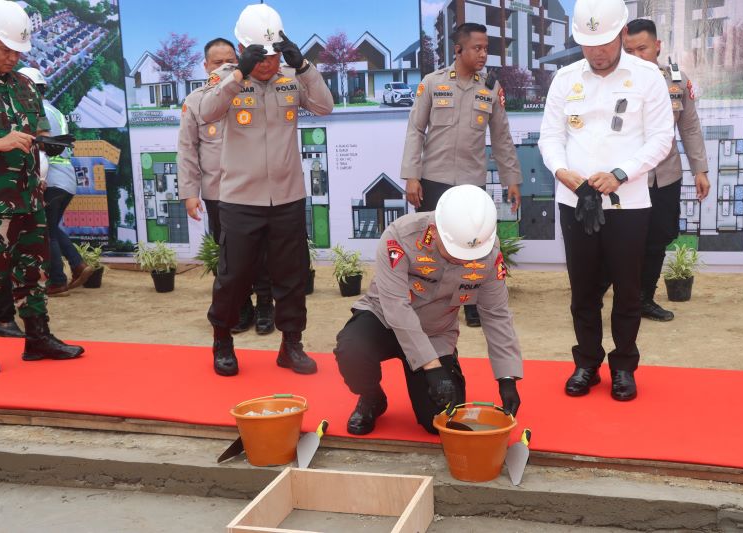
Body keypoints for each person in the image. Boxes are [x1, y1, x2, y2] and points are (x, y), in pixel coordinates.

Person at [537, 0, 674, 401]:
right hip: (574, 199)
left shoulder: (648, 77)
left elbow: (661, 139)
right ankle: (587, 363)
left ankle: (624, 366)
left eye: (605, 42)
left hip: (628, 202)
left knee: (629, 292)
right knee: (582, 290)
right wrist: (561, 170)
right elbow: (550, 136)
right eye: (587, 43)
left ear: (621, 33)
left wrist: (620, 174)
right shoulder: (564, 78)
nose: (596, 52)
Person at [199, 3, 333, 377]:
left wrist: (305, 67)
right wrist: (238, 74)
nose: (269, 63)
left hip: (288, 197)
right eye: (261, 56)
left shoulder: (291, 77)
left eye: (274, 55)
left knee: (291, 275)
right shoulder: (226, 78)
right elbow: (206, 112)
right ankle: (222, 340)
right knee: (234, 275)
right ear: (243, 49)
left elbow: (325, 106)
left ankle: (291, 345)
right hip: (241, 199)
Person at [333, 184, 523, 435]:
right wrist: (430, 367)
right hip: (384, 320)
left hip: (435, 332)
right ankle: (372, 398)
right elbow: (396, 307)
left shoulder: (488, 251)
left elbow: (495, 313)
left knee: (440, 422)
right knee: (351, 349)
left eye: (471, 254)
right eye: (457, 252)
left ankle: (440, 373)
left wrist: (507, 378)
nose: (465, 260)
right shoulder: (400, 236)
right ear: (436, 229)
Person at [0, 0, 84, 376]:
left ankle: (38, 338)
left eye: (17, 51)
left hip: (29, 195)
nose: (12, 57)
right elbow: (2, 139)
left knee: (33, 270)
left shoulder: (25, 85)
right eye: (5, 49)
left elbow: (36, 129)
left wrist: (46, 141)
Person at [400, 22, 523, 329]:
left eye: (486, 49)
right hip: (433, 179)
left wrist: (512, 179)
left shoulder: (491, 88)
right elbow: (415, 129)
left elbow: (502, 137)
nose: (483, 54)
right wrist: (412, 175)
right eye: (477, 48)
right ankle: (426, 300)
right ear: (458, 50)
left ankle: (469, 304)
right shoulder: (432, 83)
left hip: (471, 182)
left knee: (471, 245)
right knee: (428, 245)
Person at [178, 37, 275, 335]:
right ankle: (241, 306)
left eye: (230, 60)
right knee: (230, 257)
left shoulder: (251, 93)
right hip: (218, 193)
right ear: (205, 66)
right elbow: (187, 149)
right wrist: (189, 193)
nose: (224, 66)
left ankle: (264, 306)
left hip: (254, 189)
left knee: (261, 251)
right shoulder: (196, 101)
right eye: (217, 62)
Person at [623, 19, 710, 322]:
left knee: (658, 239)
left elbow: (690, 128)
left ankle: (645, 299)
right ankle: (627, 300)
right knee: (625, 241)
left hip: (666, 176)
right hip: (627, 179)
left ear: (657, 46)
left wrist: (700, 169)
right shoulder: (616, 83)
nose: (636, 56)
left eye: (642, 49)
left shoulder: (676, 81)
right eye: (629, 50)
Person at [17, 67, 94, 297]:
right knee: (51, 228)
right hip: (66, 178)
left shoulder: (38, 113)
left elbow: (41, 148)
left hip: (51, 178)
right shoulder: (55, 110)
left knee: (46, 232)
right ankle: (77, 264)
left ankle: (57, 281)